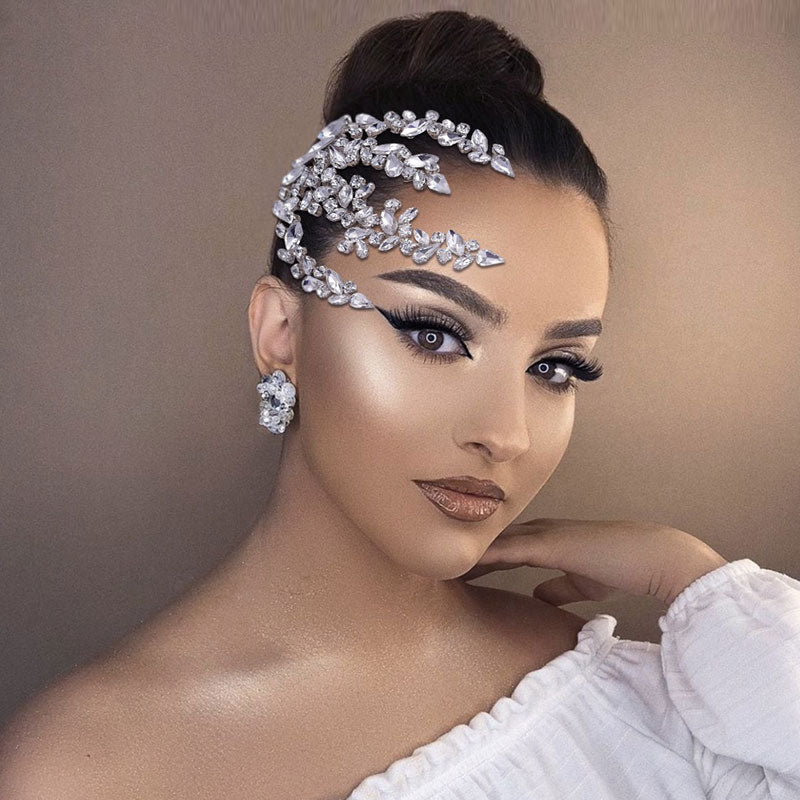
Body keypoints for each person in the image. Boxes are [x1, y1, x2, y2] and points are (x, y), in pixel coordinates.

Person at [2, 10, 799, 800]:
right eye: (434, 334)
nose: (506, 434)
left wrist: (695, 579)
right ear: (281, 332)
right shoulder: (82, 773)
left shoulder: (638, 706)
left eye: (555, 367)